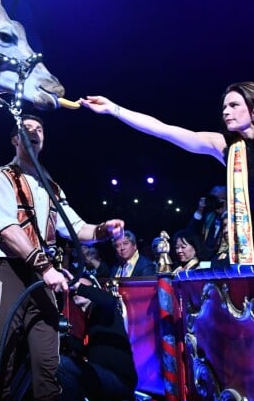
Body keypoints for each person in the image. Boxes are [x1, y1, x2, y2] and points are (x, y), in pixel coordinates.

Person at [0, 113, 124, 401]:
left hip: (45, 280)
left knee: (48, 366)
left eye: (40, 129)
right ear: (14, 139)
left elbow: (75, 227)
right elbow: (9, 230)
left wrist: (103, 230)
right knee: (3, 364)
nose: (33, 133)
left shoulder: (52, 186)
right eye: (26, 129)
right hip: (12, 275)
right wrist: (45, 267)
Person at [79, 82, 254, 264]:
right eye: (224, 106)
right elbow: (163, 129)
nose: (226, 111)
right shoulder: (227, 147)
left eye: (234, 105)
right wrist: (114, 109)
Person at [57, 277, 138, 401]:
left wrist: (76, 285)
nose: (76, 292)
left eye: (84, 288)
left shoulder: (104, 311)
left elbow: (108, 300)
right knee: (61, 364)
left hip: (119, 380)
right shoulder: (89, 318)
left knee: (63, 365)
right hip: (103, 376)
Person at [187, 186, 227, 260]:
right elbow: (189, 233)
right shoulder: (208, 217)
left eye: (216, 198)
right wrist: (200, 210)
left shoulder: (231, 217)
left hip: (222, 261)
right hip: (205, 260)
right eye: (211, 198)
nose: (213, 201)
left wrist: (225, 212)